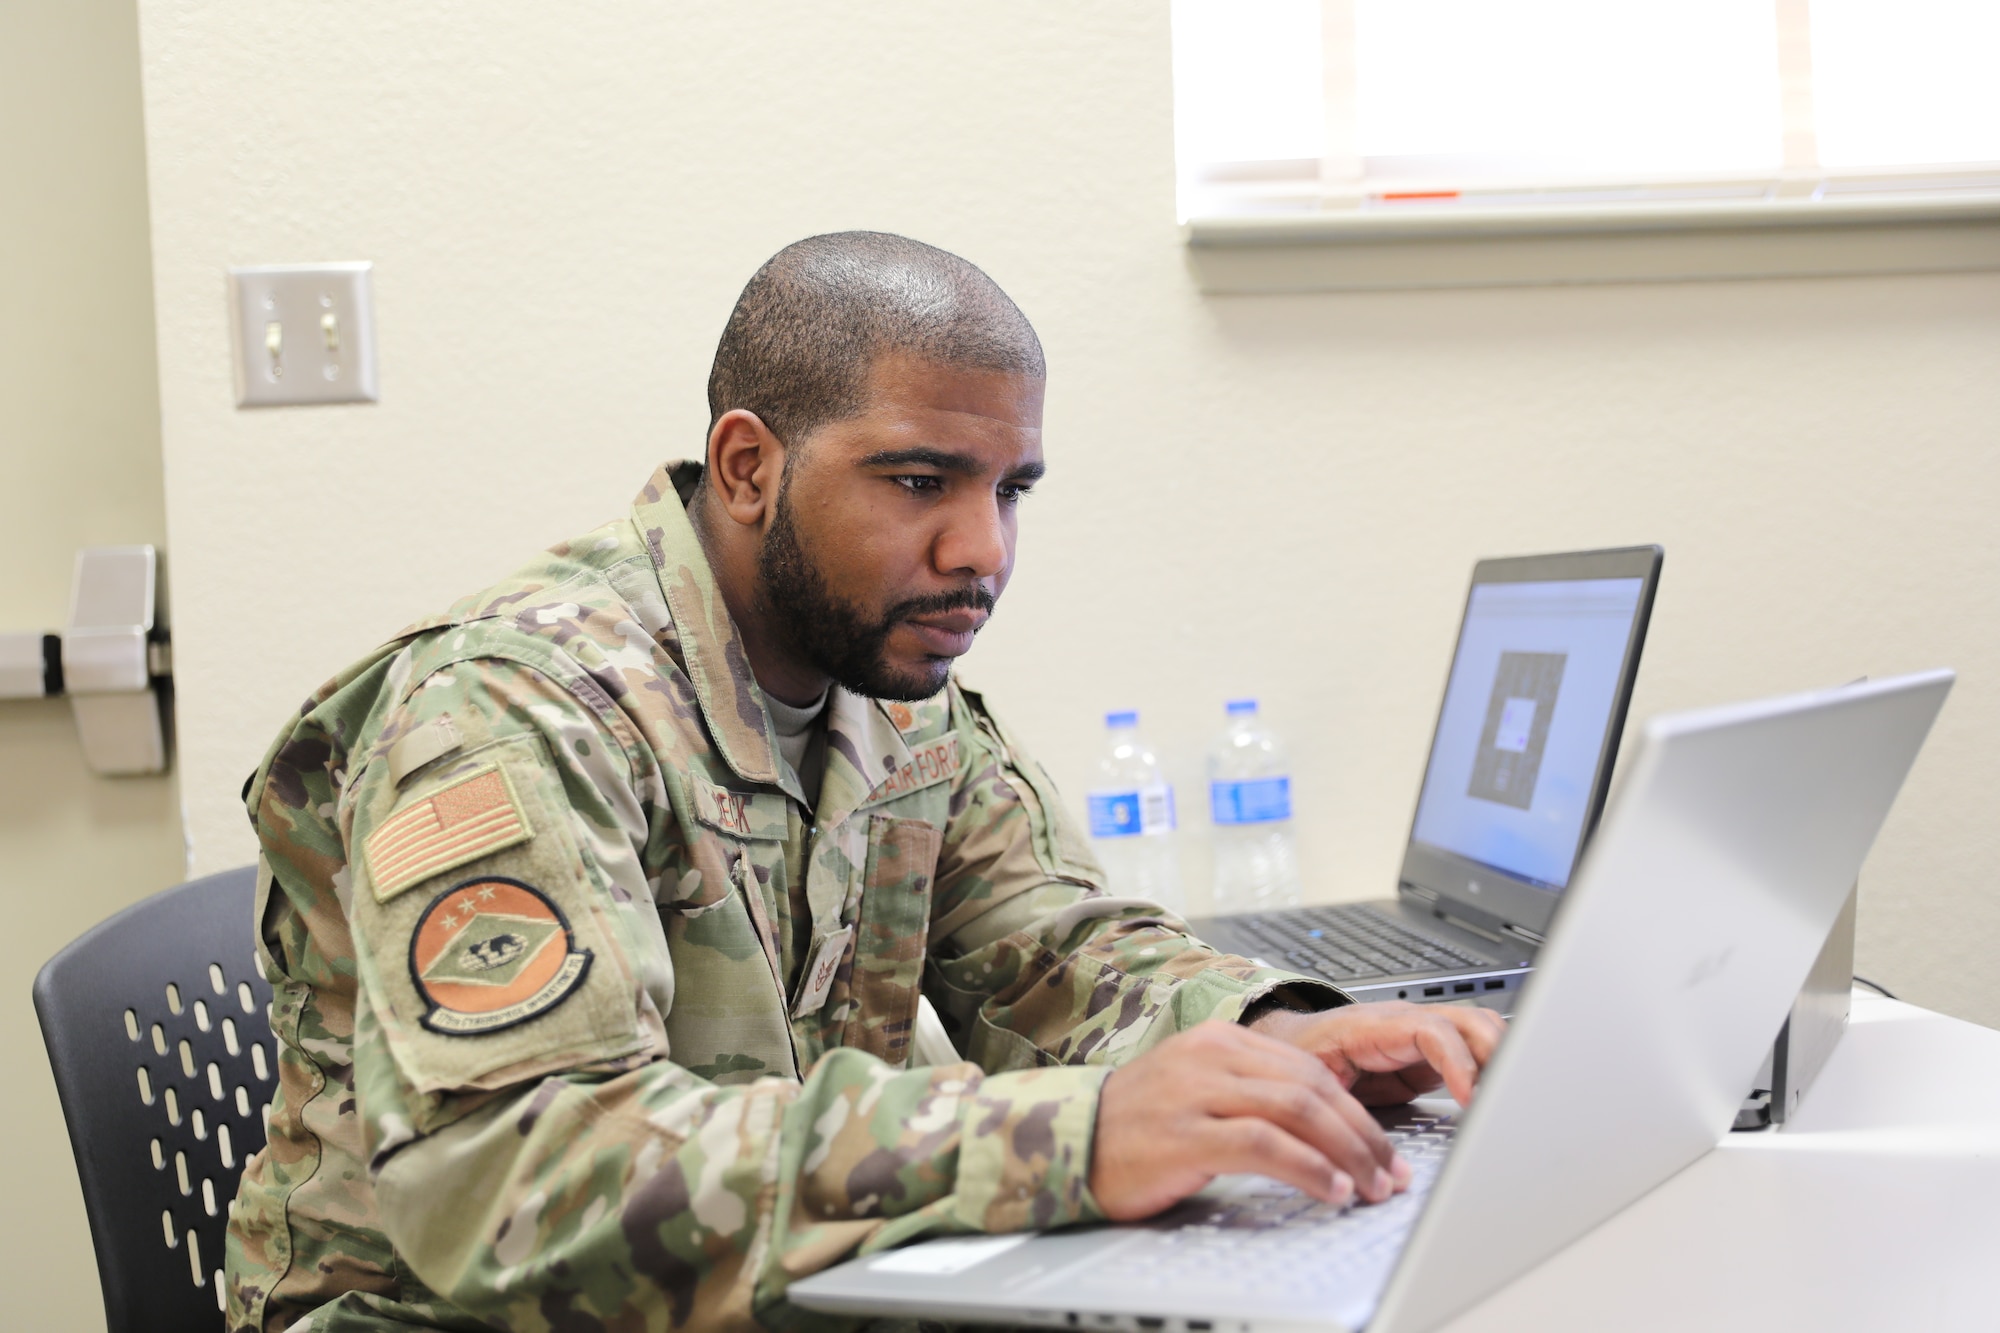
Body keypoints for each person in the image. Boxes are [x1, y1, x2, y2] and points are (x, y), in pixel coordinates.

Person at [225, 232, 1505, 1333]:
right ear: (746, 467)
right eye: (917, 481)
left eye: (1010, 490)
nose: (982, 549)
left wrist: (1274, 1036)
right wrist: (1070, 1136)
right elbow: (509, 1183)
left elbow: (1057, 955)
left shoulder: (890, 691)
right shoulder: (512, 711)